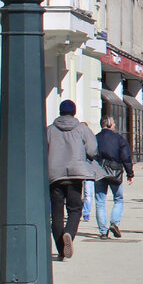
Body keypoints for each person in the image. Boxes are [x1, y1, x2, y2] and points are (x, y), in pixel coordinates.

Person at [46, 99, 99, 261]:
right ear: (74, 112)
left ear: (60, 112)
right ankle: (69, 232)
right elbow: (93, 149)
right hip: (76, 173)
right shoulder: (82, 129)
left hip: (55, 175)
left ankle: (61, 249)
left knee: (56, 212)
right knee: (75, 208)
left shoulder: (49, 130)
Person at [94, 117, 133, 239]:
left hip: (99, 172)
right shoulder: (119, 139)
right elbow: (126, 156)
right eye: (114, 122)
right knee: (118, 198)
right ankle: (114, 223)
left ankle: (103, 231)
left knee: (100, 201)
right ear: (110, 124)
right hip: (115, 172)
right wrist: (129, 173)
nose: (115, 124)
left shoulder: (95, 138)